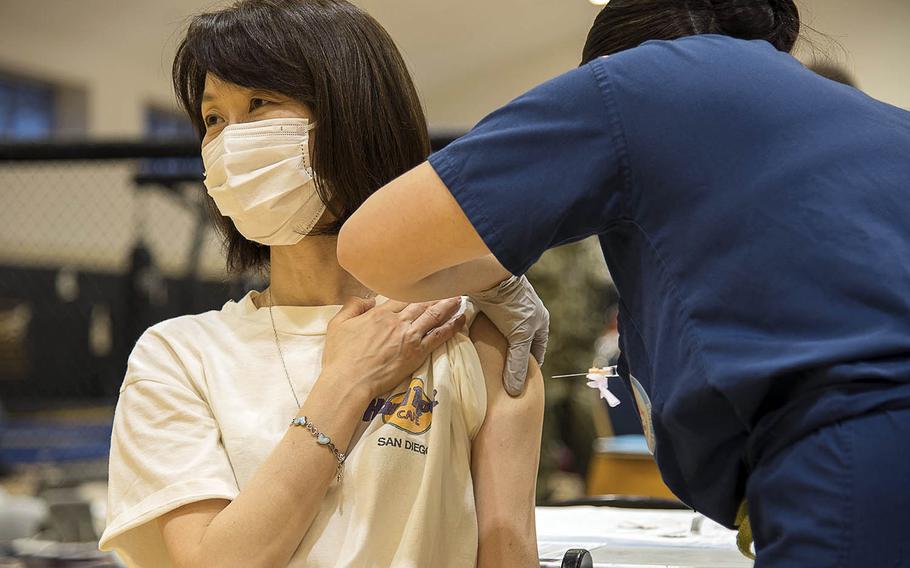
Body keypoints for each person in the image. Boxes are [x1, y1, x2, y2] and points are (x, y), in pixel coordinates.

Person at [336, 1, 910, 566]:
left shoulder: (633, 86)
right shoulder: (883, 122)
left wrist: (497, 282)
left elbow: (371, 248)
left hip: (857, 450)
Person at [98, 1, 544, 566]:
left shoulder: (473, 335)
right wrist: (347, 383)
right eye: (214, 119)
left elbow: (509, 550)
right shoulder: (176, 357)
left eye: (259, 104)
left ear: (354, 117)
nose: (231, 142)